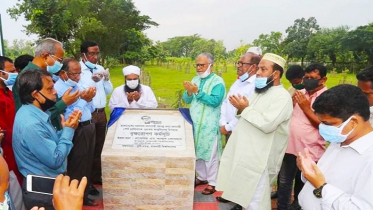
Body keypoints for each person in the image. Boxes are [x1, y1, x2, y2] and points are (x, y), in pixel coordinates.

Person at [216, 53, 293, 210]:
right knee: (245, 197)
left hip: (260, 160)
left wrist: (244, 108)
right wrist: (241, 108)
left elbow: (267, 124)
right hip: (247, 153)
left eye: (263, 69)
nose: (258, 72)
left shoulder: (282, 97)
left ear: (276, 74)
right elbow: (249, 114)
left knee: (256, 201)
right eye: (258, 68)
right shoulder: (259, 92)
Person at [12, 69, 82, 209]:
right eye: (50, 89)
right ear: (36, 94)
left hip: (47, 187)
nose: (55, 92)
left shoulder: (34, 113)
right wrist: (69, 130)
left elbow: (52, 143)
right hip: (43, 193)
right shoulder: (32, 124)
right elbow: (55, 159)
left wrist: (64, 130)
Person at [298, 84, 373, 209]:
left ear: (353, 122)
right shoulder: (340, 138)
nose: (322, 127)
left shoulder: (369, 158)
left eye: (328, 123)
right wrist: (309, 171)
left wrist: (321, 187)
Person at [277, 64, 328, 210]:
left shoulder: (326, 97)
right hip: (290, 145)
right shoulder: (300, 92)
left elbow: (322, 125)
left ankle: (298, 206)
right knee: (285, 181)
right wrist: (292, 105)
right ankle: (282, 207)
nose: (308, 80)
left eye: (313, 78)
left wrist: (306, 108)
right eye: (306, 77)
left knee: (304, 182)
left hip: (310, 149)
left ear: (323, 79)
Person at [216, 48, 261, 204]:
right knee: (231, 163)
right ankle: (230, 193)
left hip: (241, 132)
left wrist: (228, 127)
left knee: (242, 166)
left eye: (243, 63)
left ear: (253, 67)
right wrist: (223, 123)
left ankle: (241, 201)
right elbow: (225, 103)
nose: (238, 65)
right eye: (238, 62)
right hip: (229, 130)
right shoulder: (239, 81)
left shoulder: (256, 86)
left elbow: (246, 112)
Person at [54, 58, 98, 206]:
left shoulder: (77, 85)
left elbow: (89, 109)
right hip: (76, 128)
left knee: (88, 161)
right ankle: (76, 197)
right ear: (63, 73)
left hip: (88, 125)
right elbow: (70, 115)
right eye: (74, 74)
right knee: (77, 164)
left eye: (79, 73)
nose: (77, 77)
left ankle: (84, 193)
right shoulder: (60, 89)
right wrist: (84, 100)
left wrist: (89, 98)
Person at [12, 38, 79, 131]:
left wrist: (63, 100)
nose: (60, 64)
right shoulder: (27, 78)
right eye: (59, 60)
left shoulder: (44, 74)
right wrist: (63, 103)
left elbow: (47, 103)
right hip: (40, 132)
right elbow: (31, 114)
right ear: (45, 56)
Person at [182, 53, 225, 195]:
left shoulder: (217, 82)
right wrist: (189, 92)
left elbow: (215, 101)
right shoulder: (195, 79)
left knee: (210, 154)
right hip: (195, 123)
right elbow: (187, 100)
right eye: (197, 65)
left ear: (210, 66)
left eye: (202, 65)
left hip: (209, 125)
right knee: (197, 152)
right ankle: (202, 177)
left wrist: (197, 92)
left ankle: (213, 182)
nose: (199, 68)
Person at [79, 40, 113, 191]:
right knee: (88, 148)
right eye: (91, 54)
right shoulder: (78, 70)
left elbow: (107, 91)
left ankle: (97, 176)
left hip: (101, 112)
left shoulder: (99, 68)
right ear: (84, 55)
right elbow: (80, 91)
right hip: (88, 113)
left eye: (97, 53)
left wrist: (106, 79)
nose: (95, 57)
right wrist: (93, 82)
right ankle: (87, 182)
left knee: (100, 145)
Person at [0, 56, 23, 185]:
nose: (15, 74)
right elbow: (3, 130)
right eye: (12, 71)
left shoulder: (8, 92)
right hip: (7, 152)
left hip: (16, 148)